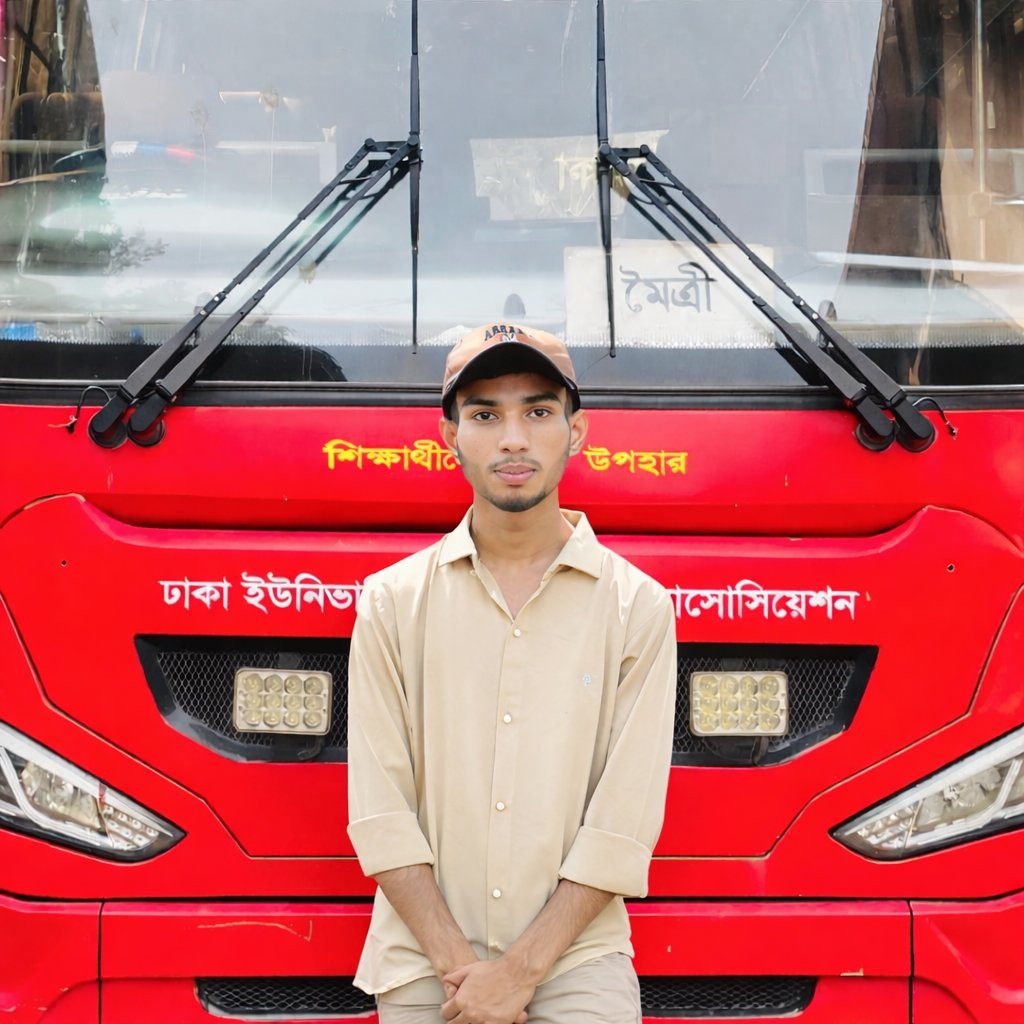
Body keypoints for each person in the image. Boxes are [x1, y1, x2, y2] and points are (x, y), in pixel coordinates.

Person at [347, 323, 678, 1024]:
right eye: (484, 415)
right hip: (423, 960)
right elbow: (380, 812)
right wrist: (460, 970)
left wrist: (520, 973)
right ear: (450, 436)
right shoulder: (391, 602)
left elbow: (622, 822)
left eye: (538, 411)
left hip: (576, 961)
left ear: (576, 431)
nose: (514, 440)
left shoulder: (637, 606)